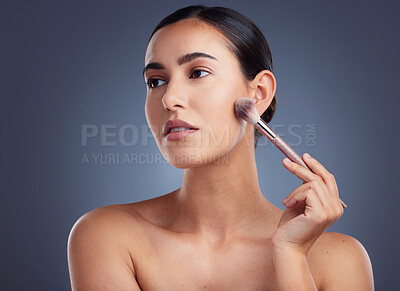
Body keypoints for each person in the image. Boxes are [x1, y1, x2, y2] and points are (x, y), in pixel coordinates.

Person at [67, 5, 374, 290]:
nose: (169, 98)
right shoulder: (107, 237)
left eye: (197, 73)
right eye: (155, 81)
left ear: (259, 93)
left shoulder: (339, 260)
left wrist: (291, 254)